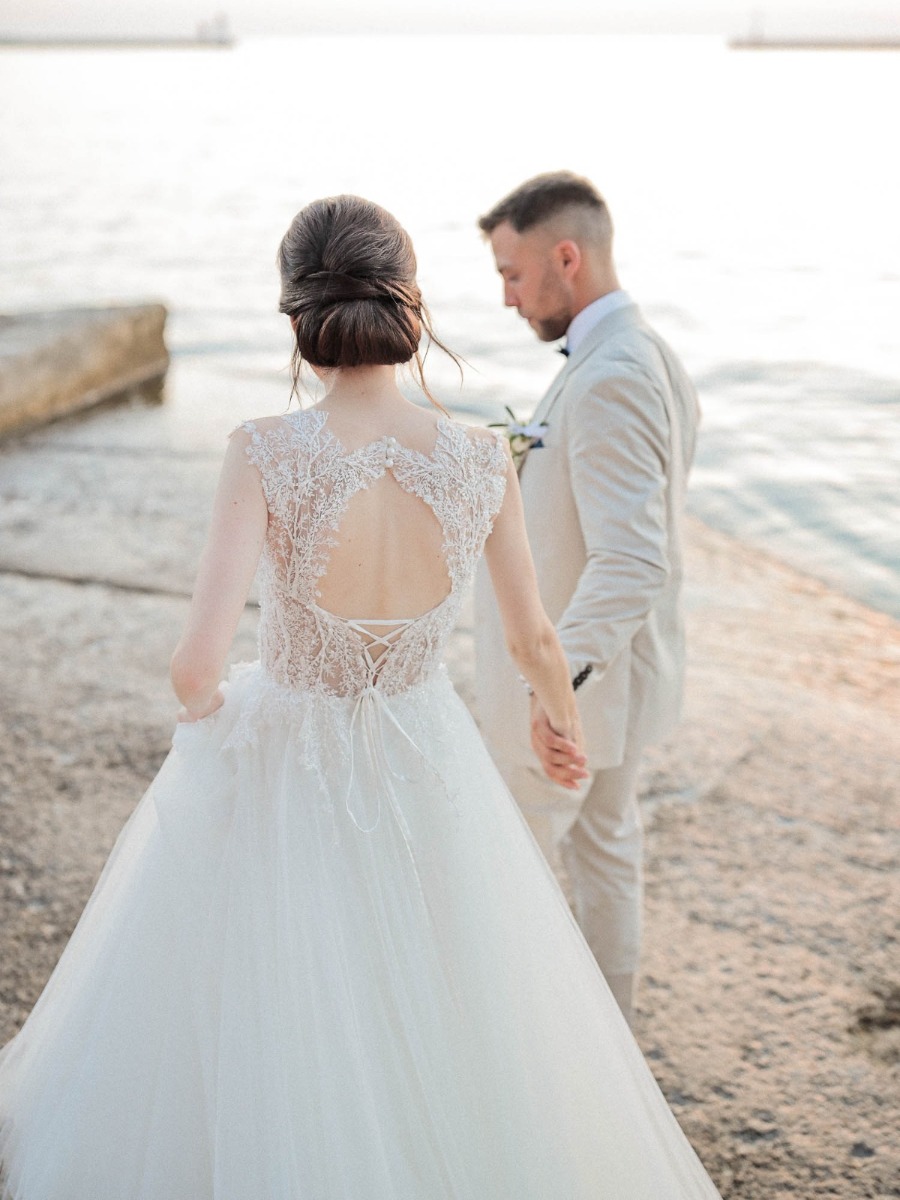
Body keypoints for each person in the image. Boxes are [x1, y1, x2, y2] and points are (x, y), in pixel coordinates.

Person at [0, 195, 720, 1198]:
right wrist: (562, 724)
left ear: (296, 313)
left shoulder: (263, 450)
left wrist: (217, 724)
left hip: (292, 751)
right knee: (437, 991)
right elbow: (533, 637)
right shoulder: (480, 456)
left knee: (282, 996)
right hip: (429, 755)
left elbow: (193, 666)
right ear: (409, 306)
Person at [474, 171, 701, 1027]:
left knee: (517, 870)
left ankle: (530, 1054)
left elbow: (634, 556)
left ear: (566, 257)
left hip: (580, 697)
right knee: (607, 852)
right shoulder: (646, 355)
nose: (507, 299)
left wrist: (553, 685)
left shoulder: (611, 376)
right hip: (625, 682)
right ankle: (609, 1050)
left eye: (513, 274)